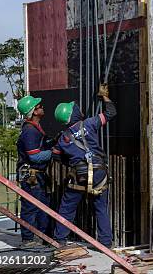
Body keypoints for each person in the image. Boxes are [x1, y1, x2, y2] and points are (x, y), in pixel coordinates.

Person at [51, 84, 115, 248]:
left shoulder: (63, 138)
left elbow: (56, 157)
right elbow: (110, 113)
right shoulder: (89, 123)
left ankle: (60, 240)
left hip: (79, 174)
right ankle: (105, 242)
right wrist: (105, 97)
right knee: (100, 207)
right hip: (99, 172)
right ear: (73, 114)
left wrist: (72, 162)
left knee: (67, 207)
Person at [16, 95, 52, 246]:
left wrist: (52, 142)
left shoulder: (35, 128)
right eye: (39, 106)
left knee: (42, 207)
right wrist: (54, 152)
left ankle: (39, 237)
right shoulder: (30, 131)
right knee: (31, 207)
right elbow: (35, 157)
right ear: (34, 112)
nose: (42, 106)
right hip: (32, 177)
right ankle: (28, 239)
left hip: (37, 177)